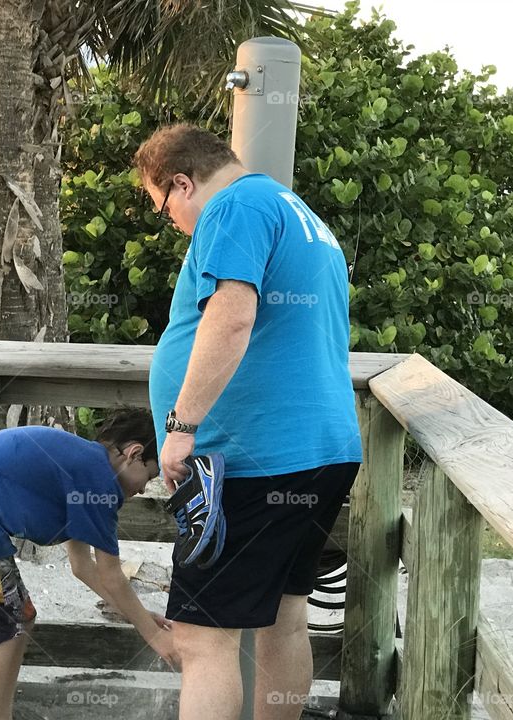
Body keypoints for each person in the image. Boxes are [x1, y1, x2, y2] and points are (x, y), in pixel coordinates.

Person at [134, 124, 362, 720]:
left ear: (182, 183)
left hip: (252, 457)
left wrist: (180, 427)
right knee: (284, 619)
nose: (174, 224)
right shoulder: (296, 209)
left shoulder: (233, 207)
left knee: (202, 638)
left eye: (164, 208)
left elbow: (232, 318)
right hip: (322, 448)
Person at [0, 409, 179, 720]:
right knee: (2, 634)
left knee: (20, 620)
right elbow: (112, 575)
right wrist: (155, 636)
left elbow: (83, 567)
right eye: (150, 476)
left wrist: (141, 615)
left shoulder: (84, 467)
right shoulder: (99, 481)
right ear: (134, 453)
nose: (144, 489)